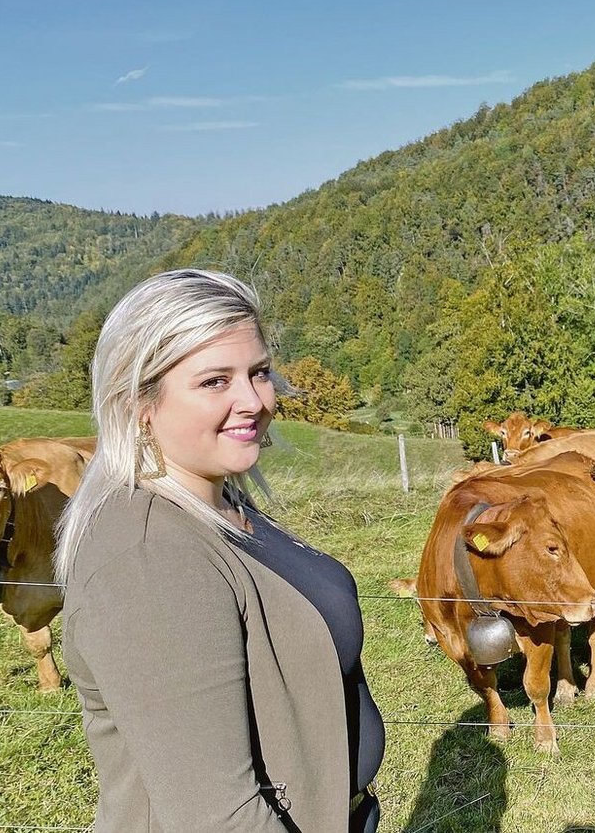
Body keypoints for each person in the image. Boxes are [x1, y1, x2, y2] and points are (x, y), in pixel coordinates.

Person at [56, 269, 383, 833]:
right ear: (139, 403)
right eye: (214, 382)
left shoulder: (217, 502)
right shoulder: (146, 558)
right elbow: (217, 817)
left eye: (258, 373)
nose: (252, 400)